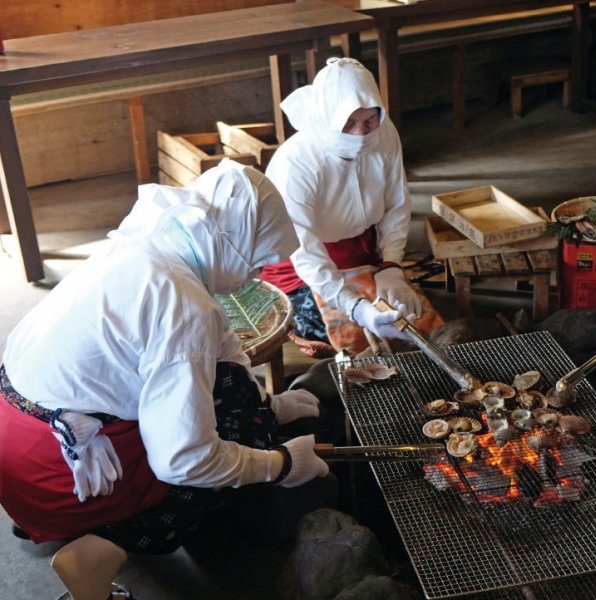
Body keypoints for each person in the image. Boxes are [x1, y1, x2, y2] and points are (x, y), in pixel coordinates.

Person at [0, 160, 331, 562]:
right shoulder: (181, 304)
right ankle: (104, 545)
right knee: (220, 466)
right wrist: (277, 465)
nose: (252, 275)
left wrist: (271, 406)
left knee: (229, 390)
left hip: (16, 447)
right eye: (256, 262)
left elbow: (221, 354)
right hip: (57, 473)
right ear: (235, 242)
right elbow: (184, 461)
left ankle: (68, 520)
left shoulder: (153, 244)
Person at [259, 57, 443, 356]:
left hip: (362, 251)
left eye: (370, 121)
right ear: (327, 117)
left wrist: (392, 266)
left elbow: (397, 203)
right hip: (301, 264)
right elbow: (302, 248)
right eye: (348, 123)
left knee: (412, 322)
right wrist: (354, 306)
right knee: (356, 337)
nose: (361, 134)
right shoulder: (297, 162)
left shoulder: (384, 134)